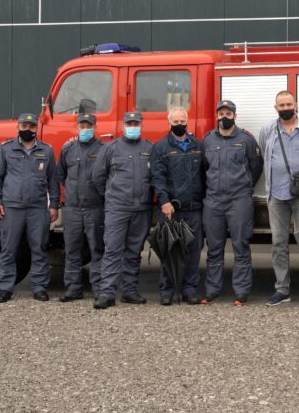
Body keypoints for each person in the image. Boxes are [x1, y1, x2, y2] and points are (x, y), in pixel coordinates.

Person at [259, 90, 299, 307]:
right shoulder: (267, 129)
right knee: (279, 242)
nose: (285, 108)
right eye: (281, 105)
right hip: (276, 195)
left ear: (296, 104)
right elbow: (265, 156)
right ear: (275, 107)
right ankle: (282, 289)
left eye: (289, 104)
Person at [0, 113, 59, 303]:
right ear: (18, 127)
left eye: (31, 126)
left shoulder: (47, 151)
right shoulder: (5, 149)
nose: (28, 130)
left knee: (39, 248)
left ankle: (39, 287)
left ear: (36, 128)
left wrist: (54, 205)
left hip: (37, 208)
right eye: (24, 126)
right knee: (8, 248)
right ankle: (4, 288)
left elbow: (53, 180)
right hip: (12, 207)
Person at [201, 100, 262, 306]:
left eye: (229, 113)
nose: (224, 117)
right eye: (221, 114)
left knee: (241, 246)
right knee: (214, 248)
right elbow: (203, 169)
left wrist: (243, 187)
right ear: (216, 116)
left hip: (239, 200)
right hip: (214, 201)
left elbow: (256, 168)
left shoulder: (246, 139)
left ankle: (241, 292)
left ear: (235, 116)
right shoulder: (208, 140)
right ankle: (212, 290)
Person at [91, 111, 154, 309]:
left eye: (136, 123)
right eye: (129, 123)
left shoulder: (149, 148)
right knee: (112, 250)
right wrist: (111, 196)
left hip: (142, 208)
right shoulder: (111, 148)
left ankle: (129, 291)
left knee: (134, 251)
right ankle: (107, 293)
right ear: (123, 125)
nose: (133, 126)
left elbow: (156, 177)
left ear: (141, 124)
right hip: (117, 208)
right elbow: (98, 177)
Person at [151, 106, 206, 305]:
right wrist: (164, 201)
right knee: (170, 250)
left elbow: (204, 175)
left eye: (182, 121)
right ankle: (167, 291)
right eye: (176, 122)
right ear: (169, 123)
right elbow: (158, 178)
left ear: (187, 121)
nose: (180, 125)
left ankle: (189, 290)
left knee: (193, 251)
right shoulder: (160, 147)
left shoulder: (197, 145)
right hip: (171, 209)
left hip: (194, 208)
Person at [57, 112, 106, 303]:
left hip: (95, 207)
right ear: (77, 127)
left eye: (89, 126)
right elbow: (62, 174)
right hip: (73, 209)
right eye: (82, 126)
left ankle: (99, 288)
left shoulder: (103, 149)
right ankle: (73, 288)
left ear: (95, 128)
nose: (85, 129)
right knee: (72, 250)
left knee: (97, 249)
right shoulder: (68, 149)